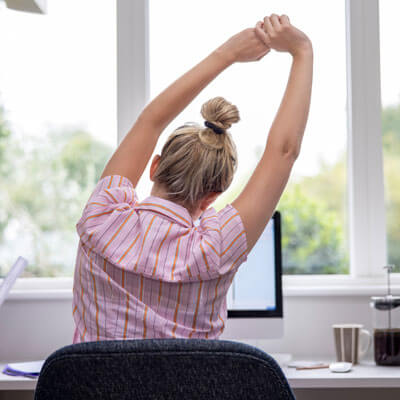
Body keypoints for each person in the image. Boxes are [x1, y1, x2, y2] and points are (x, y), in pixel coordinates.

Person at [72, 14, 313, 343]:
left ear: (154, 166)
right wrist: (302, 51)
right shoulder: (215, 247)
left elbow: (150, 122)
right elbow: (283, 153)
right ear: (213, 195)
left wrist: (227, 54)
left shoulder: (102, 217)